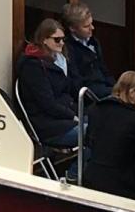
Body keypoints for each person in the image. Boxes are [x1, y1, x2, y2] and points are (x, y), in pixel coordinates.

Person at [12, 16, 86, 156]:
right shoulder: (33, 67)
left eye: (63, 39)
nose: (61, 43)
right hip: (48, 126)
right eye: (57, 40)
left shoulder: (58, 60)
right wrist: (72, 116)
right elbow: (47, 103)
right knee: (97, 134)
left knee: (103, 124)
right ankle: (76, 169)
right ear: (44, 40)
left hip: (64, 115)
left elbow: (69, 89)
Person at [80, 71, 135, 196]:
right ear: (132, 93)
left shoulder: (95, 109)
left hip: (91, 177)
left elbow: (89, 142)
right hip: (122, 185)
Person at [61, 3, 116, 95]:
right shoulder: (68, 48)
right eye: (86, 26)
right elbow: (76, 81)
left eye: (91, 24)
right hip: (90, 92)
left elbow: (104, 69)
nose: (92, 28)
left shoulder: (94, 42)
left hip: (105, 86)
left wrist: (116, 87)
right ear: (72, 28)